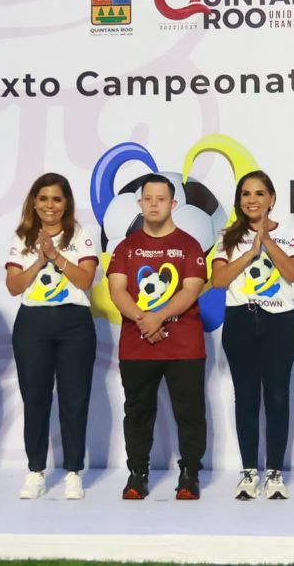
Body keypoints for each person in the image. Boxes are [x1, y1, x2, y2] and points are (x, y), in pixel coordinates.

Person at [106, 174, 208, 500]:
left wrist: (157, 317)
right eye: (148, 199)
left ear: (173, 203)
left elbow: (191, 290)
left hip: (184, 346)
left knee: (190, 413)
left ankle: (189, 474)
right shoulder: (125, 247)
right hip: (137, 346)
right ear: (139, 204)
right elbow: (117, 290)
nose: (153, 205)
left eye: (160, 199)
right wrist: (143, 320)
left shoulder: (189, 245)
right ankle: (137, 474)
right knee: (138, 413)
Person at [210, 171, 294, 500]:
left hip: (279, 323)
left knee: (278, 396)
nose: (252, 200)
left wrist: (266, 241)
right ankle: (249, 472)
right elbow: (219, 281)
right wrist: (250, 252)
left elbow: (293, 272)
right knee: (247, 397)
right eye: (246, 194)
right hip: (240, 320)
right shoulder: (227, 237)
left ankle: (275, 473)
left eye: (259, 193)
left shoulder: (290, 233)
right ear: (239, 201)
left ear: (272, 199)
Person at [5, 173, 99, 500]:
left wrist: (57, 256)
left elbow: (85, 280)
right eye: (43, 198)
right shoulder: (22, 238)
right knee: (35, 398)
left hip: (74, 323)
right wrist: (40, 260)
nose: (50, 205)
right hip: (32, 323)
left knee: (74, 399)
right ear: (34, 202)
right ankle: (35, 471)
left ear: (66, 203)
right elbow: (13, 286)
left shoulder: (82, 235)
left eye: (57, 199)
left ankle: (73, 472)